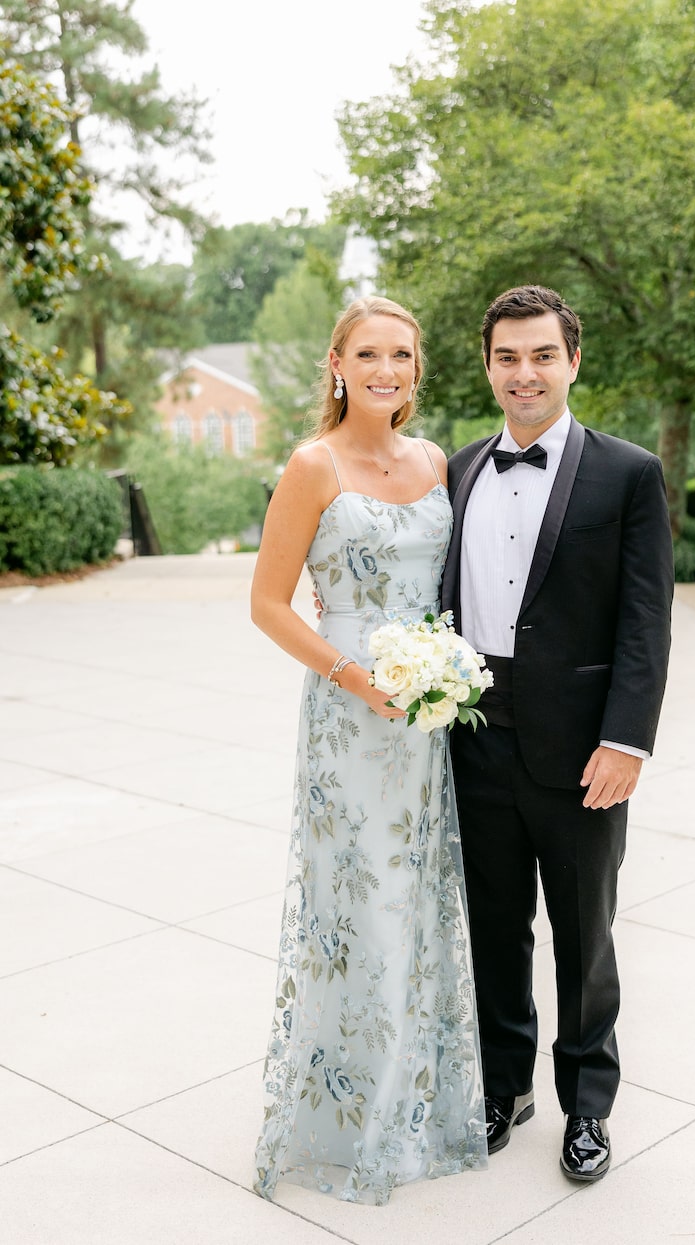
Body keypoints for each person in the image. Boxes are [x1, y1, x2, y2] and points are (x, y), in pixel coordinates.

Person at [250, 296, 487, 1206]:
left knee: (421, 906)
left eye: (403, 354)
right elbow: (269, 603)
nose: (387, 369)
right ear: (337, 364)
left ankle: (418, 1104)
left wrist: (443, 671)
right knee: (362, 914)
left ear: (417, 368)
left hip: (425, 723)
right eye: (369, 354)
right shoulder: (312, 466)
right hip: (351, 722)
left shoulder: (433, 461)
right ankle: (351, 1118)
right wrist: (354, 675)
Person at [442, 285, 674, 1182]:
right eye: (508, 357)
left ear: (573, 361)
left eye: (542, 355)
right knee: (496, 930)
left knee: (586, 935)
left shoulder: (628, 473)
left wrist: (627, 738)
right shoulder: (458, 467)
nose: (524, 372)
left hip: (583, 754)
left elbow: (645, 622)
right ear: (489, 366)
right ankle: (506, 1087)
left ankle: (587, 1104)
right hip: (475, 744)